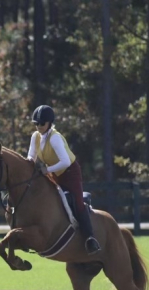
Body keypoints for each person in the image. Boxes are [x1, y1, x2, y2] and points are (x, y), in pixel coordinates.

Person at [27, 104, 101, 255]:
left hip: (70, 173)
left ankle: (90, 238)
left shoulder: (55, 138)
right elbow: (30, 158)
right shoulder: (35, 137)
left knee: (78, 204)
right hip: (53, 173)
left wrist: (46, 170)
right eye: (36, 124)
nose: (39, 127)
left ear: (49, 123)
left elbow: (66, 161)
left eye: (42, 123)